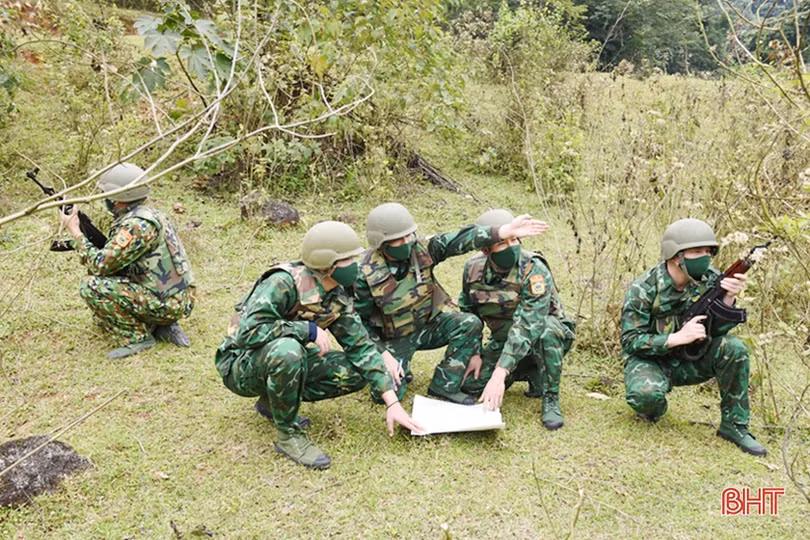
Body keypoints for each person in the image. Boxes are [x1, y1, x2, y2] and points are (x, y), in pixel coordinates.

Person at [214, 221, 422, 469]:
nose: (355, 265)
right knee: (287, 351)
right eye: (348, 260)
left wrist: (393, 404)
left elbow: (361, 349)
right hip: (240, 366)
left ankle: (272, 402)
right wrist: (307, 330)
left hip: (282, 359)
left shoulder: (336, 293)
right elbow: (247, 333)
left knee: (357, 371)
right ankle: (288, 435)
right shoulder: (282, 283)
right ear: (327, 265)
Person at [354, 202, 548, 405]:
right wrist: (384, 354)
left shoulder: (422, 249)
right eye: (399, 239)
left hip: (428, 326)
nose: (407, 241)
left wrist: (502, 232)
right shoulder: (364, 273)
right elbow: (360, 324)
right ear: (382, 243)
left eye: (409, 235)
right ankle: (400, 367)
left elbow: (458, 240)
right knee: (384, 395)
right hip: (392, 338)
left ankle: (444, 385)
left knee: (468, 323)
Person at [621, 218, 766, 456]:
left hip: (690, 359)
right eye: (697, 251)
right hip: (650, 361)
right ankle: (653, 407)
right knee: (645, 397)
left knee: (735, 348)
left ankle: (734, 426)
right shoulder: (644, 288)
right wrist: (676, 338)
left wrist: (728, 298)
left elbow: (716, 331)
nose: (705, 257)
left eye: (708, 252)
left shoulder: (711, 279)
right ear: (676, 256)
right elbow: (630, 341)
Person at [60, 163, 195, 359]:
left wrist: (74, 230)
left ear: (118, 198)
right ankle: (161, 324)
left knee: (91, 286)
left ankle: (137, 337)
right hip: (179, 297)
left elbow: (99, 265)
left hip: (168, 303)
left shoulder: (136, 225)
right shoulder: (151, 214)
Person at [459, 210, 575, 429]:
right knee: (471, 387)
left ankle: (550, 396)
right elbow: (468, 312)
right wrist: (474, 352)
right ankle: (525, 369)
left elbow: (529, 324)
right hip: (504, 340)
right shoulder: (473, 269)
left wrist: (499, 374)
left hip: (542, 335)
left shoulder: (533, 268)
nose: (512, 246)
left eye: (515, 240)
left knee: (547, 330)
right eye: (503, 243)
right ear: (486, 249)